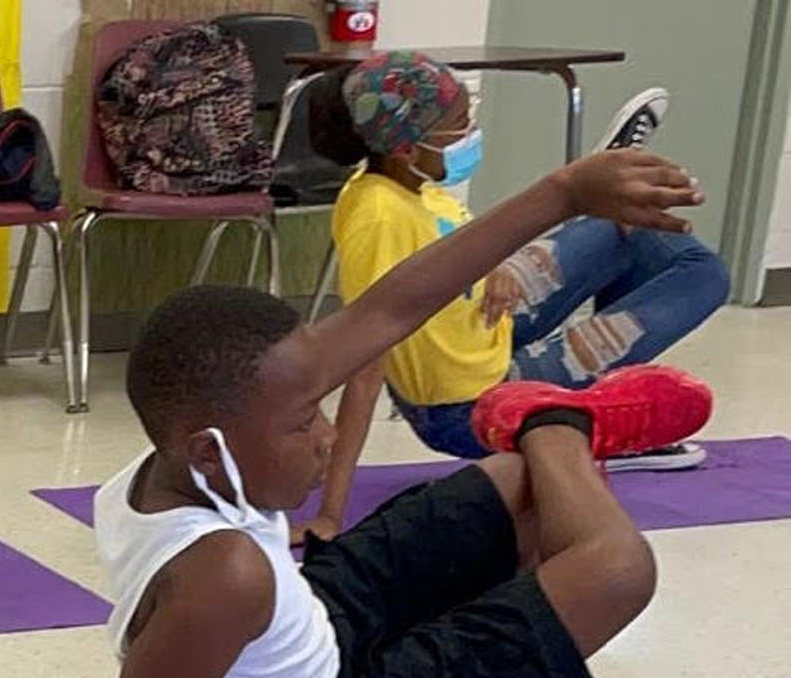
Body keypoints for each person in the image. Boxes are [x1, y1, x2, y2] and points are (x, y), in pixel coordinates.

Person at [81, 145, 712, 678]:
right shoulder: (220, 578)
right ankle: (557, 420)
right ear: (208, 449)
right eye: (302, 423)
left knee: (519, 486)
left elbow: (395, 304)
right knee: (620, 567)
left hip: (314, 630)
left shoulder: (180, 453)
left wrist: (564, 191)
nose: (326, 437)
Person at [295, 52, 728, 543]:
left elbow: (453, 243)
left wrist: (494, 265)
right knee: (705, 275)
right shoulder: (379, 215)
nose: (471, 135)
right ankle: (606, 415)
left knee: (624, 223)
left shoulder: (419, 184)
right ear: (406, 150)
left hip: (482, 320)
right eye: (459, 128)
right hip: (470, 404)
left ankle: (602, 186)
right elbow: (366, 359)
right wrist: (331, 513)